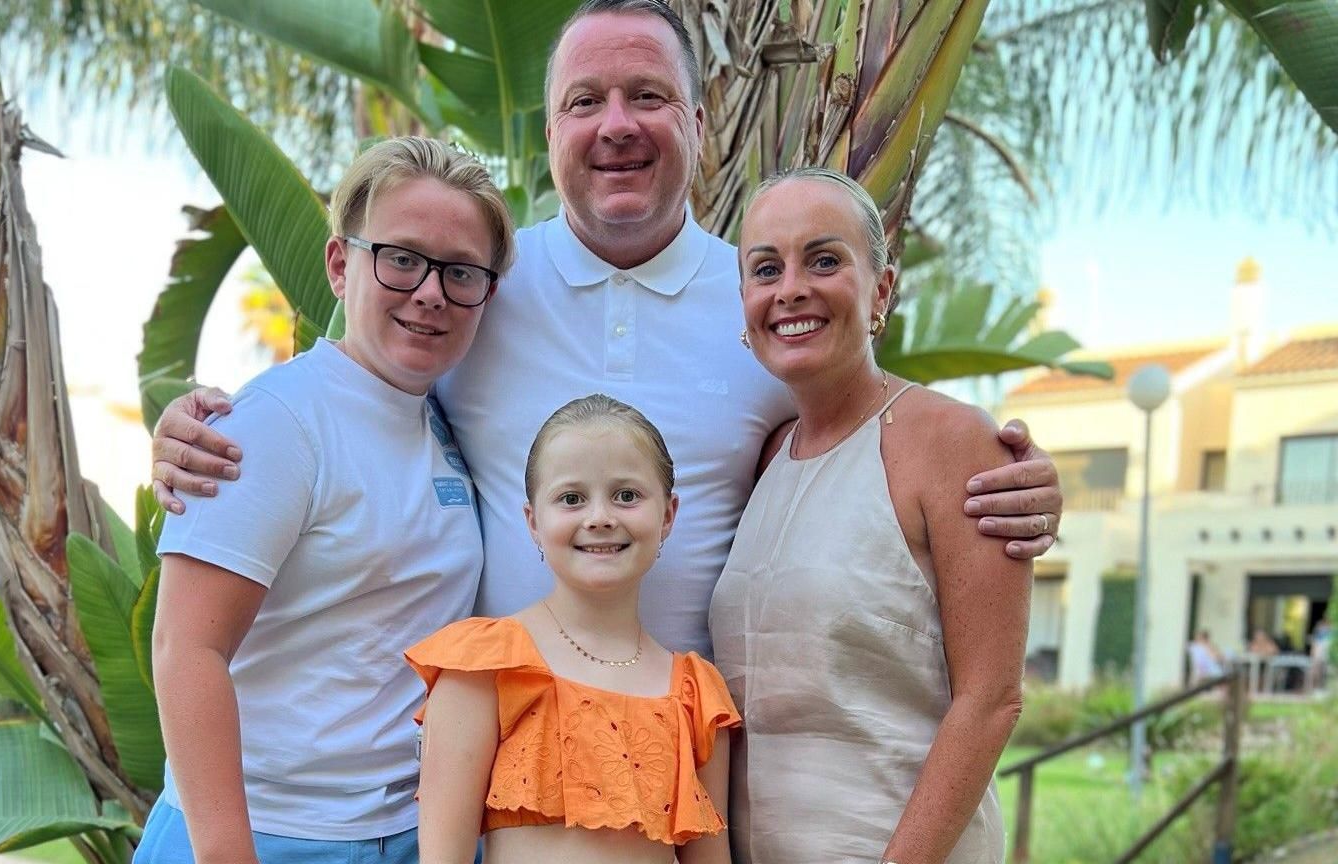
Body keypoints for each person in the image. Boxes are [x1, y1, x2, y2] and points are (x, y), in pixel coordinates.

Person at [149, 0, 1064, 665]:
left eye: (648, 97)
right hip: (488, 768)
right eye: (585, 101)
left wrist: (1010, 480)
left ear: (698, 126)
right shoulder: (477, 290)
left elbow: (871, 446)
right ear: (551, 132)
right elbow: (353, 391)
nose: (616, 125)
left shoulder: (768, 307)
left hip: (691, 763)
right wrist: (204, 430)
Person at [133, 137, 515, 863]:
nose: (430, 292)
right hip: (265, 838)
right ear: (342, 265)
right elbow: (186, 647)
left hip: (403, 834)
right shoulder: (279, 420)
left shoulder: (441, 419)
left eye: (461, 271)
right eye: (401, 258)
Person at [710, 168, 1031, 863]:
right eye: (766, 268)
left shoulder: (952, 440)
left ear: (881, 290)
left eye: (824, 260)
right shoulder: (764, 458)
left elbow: (992, 699)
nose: (791, 287)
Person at [406, 395, 736, 864]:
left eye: (626, 495)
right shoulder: (489, 665)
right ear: (533, 522)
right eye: (571, 498)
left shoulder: (693, 694)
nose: (600, 517)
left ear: (667, 515)